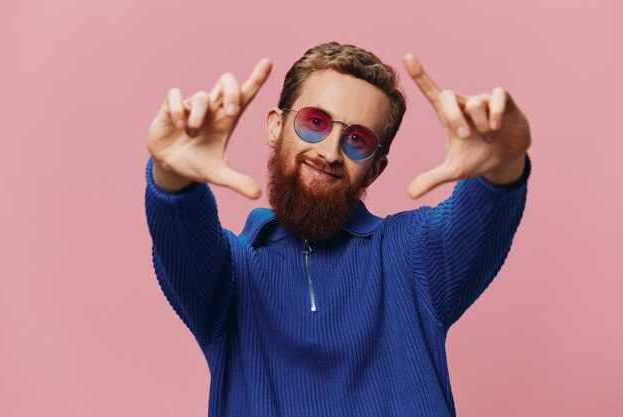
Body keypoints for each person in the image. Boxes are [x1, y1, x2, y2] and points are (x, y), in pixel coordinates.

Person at [144, 42, 531, 417]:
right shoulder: (229, 274)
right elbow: (184, 237)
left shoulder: (413, 257)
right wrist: (174, 174)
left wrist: (499, 168)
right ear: (276, 127)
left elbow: (478, 221)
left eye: (357, 140)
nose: (330, 153)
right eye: (315, 122)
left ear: (376, 168)